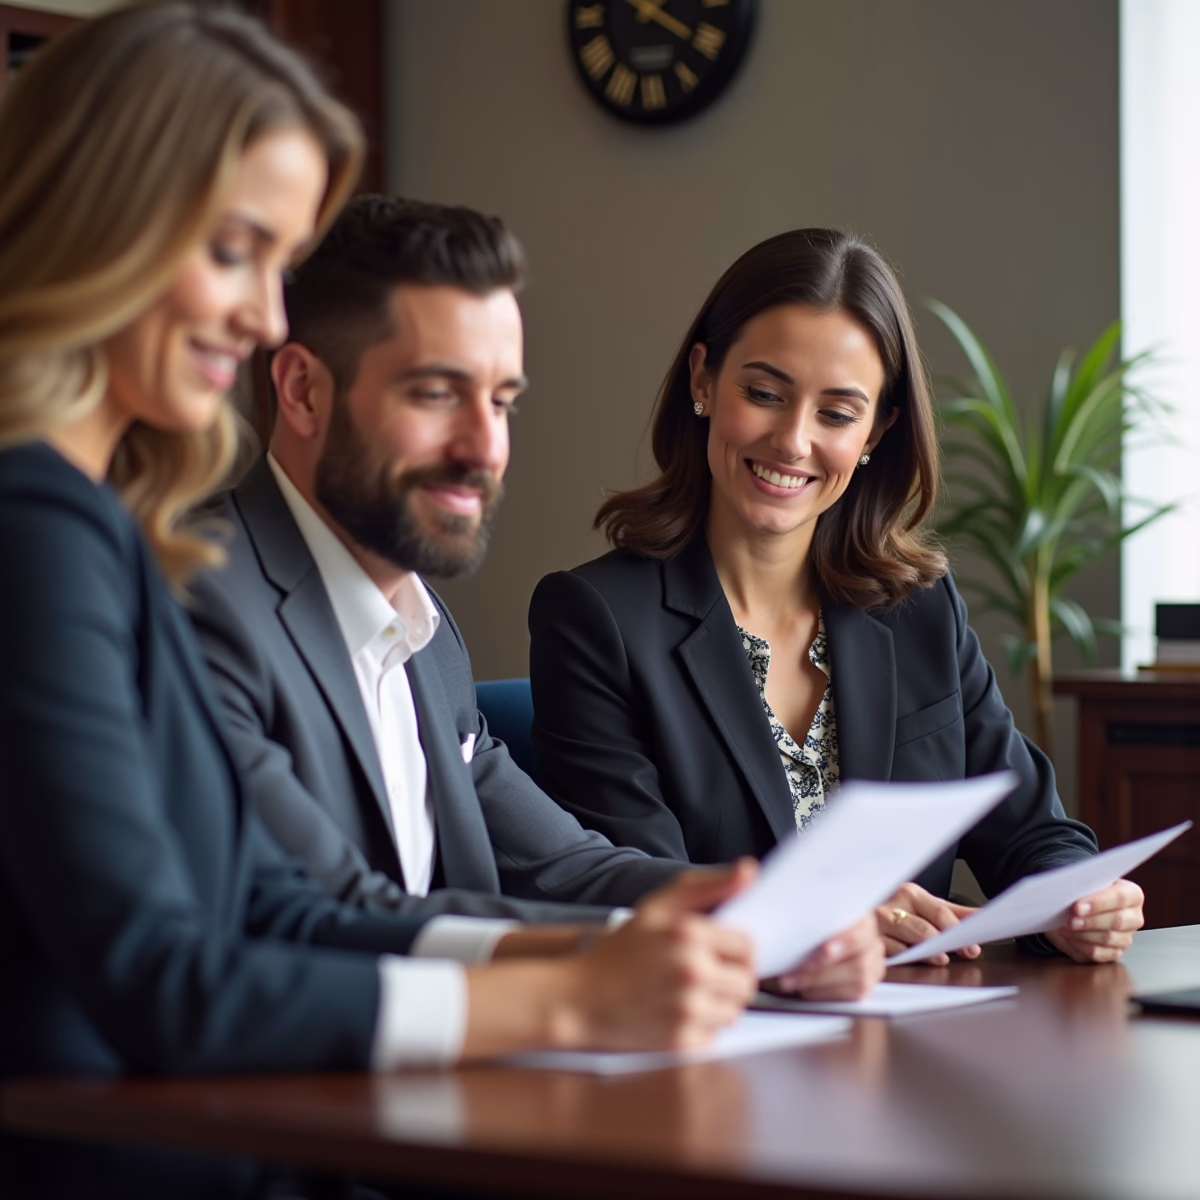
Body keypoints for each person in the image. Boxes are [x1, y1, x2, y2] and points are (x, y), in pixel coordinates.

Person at [0, 7, 758, 1196]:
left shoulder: (99, 528)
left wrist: (622, 953)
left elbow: (274, 906)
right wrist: (562, 998)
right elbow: (163, 978)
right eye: (235, 251)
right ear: (106, 215)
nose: (262, 315)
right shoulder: (37, 529)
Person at [187, 193, 883, 999]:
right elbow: (328, 913)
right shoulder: (198, 603)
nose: (486, 447)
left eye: (502, 401)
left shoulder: (420, 624)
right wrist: (623, 956)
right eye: (437, 394)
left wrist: (758, 918)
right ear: (303, 391)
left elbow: (560, 864)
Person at [528, 228, 1146, 966]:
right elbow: (634, 891)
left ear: (878, 430)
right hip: (718, 1042)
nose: (793, 441)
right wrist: (818, 922)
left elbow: (1031, 828)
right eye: (764, 394)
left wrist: (1078, 900)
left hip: (916, 1040)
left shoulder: (919, 609)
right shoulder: (595, 620)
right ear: (702, 380)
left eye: (837, 413)